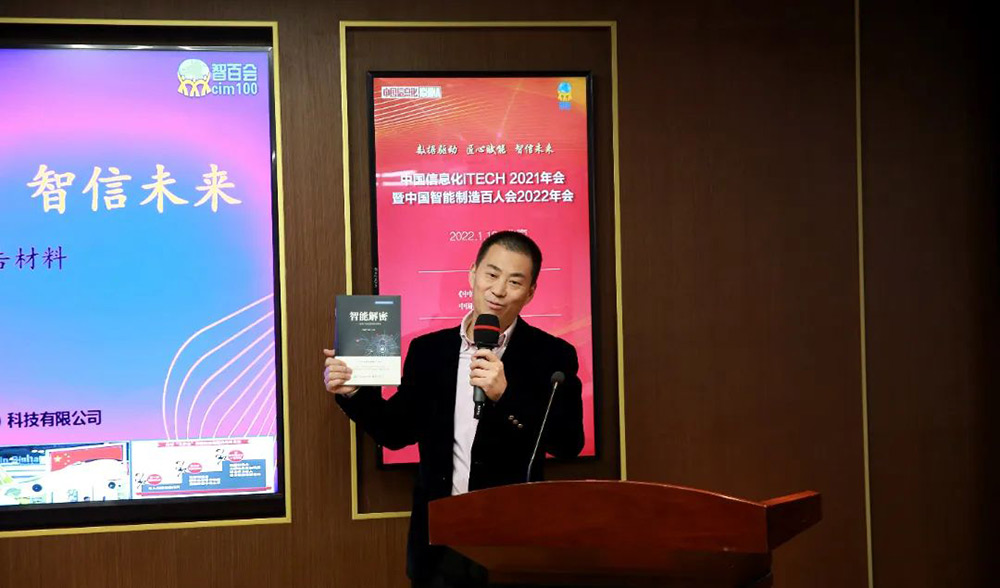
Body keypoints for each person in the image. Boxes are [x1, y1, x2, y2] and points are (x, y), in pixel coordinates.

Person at [323, 231, 584, 587]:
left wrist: (506, 396)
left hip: (512, 542)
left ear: (530, 292)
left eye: (514, 281)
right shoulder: (430, 351)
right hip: (439, 543)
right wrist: (353, 392)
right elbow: (396, 432)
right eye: (491, 274)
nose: (498, 290)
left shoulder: (552, 355)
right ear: (473, 273)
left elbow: (568, 443)